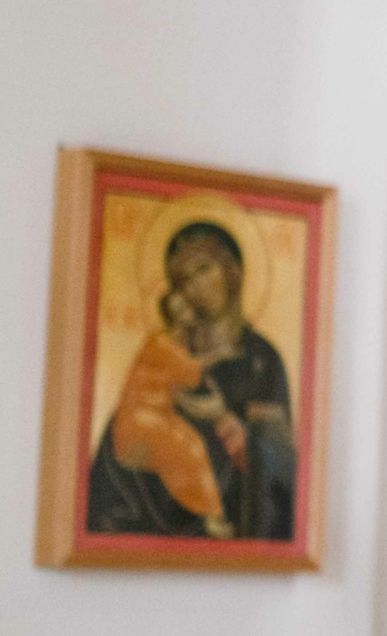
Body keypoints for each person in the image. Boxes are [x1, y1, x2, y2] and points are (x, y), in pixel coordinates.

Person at [86, 222, 296, 539]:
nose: (196, 286)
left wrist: (223, 419)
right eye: (184, 280)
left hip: (238, 541)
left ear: (231, 270)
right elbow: (110, 481)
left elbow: (281, 472)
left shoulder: (261, 362)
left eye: (204, 269)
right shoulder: (165, 354)